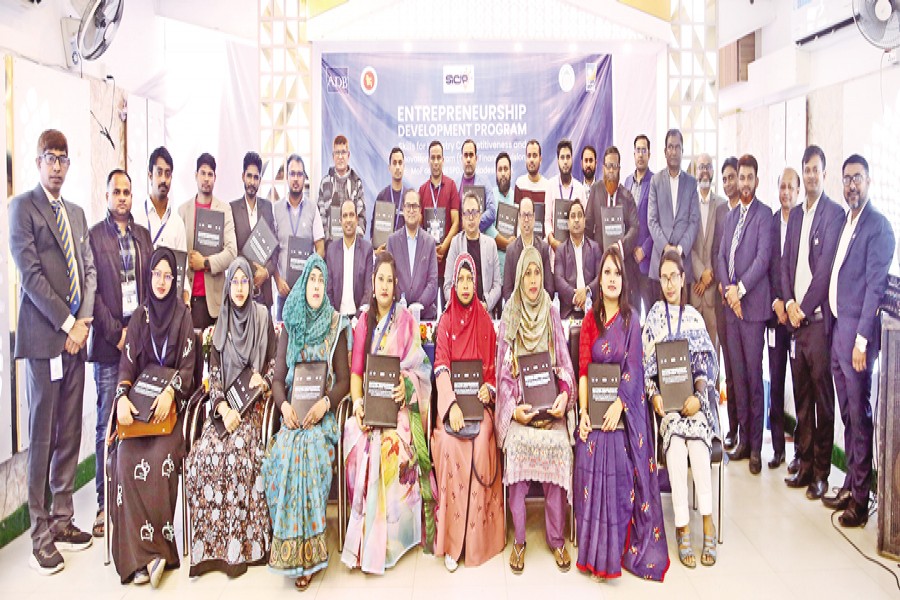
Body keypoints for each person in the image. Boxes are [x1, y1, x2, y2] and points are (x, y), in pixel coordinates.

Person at [9, 129, 97, 574]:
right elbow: (31, 276)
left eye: (63, 158)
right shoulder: (23, 208)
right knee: (42, 437)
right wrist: (67, 323)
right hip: (45, 342)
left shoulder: (76, 213)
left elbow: (89, 272)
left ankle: (63, 520)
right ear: (38, 162)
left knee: (69, 432)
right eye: (51, 158)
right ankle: (40, 536)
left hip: (76, 341)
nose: (58, 166)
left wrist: (83, 324)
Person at [575, 248, 668, 581]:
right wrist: (584, 413)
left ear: (623, 280)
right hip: (595, 411)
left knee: (614, 449)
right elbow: (584, 371)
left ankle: (613, 550)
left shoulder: (631, 320)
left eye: (617, 273)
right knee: (589, 445)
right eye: (607, 273)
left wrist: (618, 405)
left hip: (625, 413)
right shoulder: (590, 320)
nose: (612, 279)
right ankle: (594, 549)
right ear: (599, 281)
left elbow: (634, 371)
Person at [261, 254, 351, 590]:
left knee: (309, 453)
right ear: (303, 284)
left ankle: (309, 554)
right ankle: (288, 547)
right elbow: (278, 380)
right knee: (283, 454)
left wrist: (326, 404)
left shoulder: (335, 324)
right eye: (311, 279)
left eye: (321, 280)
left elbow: (343, 379)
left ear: (326, 286)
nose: (316, 285)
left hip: (320, 418)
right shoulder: (292, 322)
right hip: (293, 416)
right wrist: (283, 406)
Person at [341, 252, 435, 574]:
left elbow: (422, 369)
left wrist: (405, 387)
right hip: (370, 406)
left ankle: (393, 539)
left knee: (390, 447)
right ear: (372, 282)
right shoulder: (364, 322)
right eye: (380, 279)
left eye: (389, 281)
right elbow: (356, 373)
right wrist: (357, 404)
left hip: (399, 411)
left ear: (396, 286)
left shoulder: (406, 321)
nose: (384, 285)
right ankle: (365, 536)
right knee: (356, 439)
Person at [108, 247, 196, 587]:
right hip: (139, 413)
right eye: (156, 274)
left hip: (168, 412)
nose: (161, 281)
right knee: (125, 459)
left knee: (160, 461)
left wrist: (171, 392)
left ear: (175, 279)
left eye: (168, 275)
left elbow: (188, 367)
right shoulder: (139, 318)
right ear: (149, 277)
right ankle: (136, 559)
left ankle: (159, 551)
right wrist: (121, 398)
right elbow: (127, 365)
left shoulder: (183, 316)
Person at [185, 257, 276, 577]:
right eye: (234, 282)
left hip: (254, 409)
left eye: (244, 281)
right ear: (227, 288)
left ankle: (241, 547)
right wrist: (223, 409)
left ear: (252, 285)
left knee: (237, 454)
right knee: (203, 455)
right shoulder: (219, 328)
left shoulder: (262, 317)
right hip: (224, 410)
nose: (239, 288)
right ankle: (211, 548)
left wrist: (265, 381)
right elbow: (214, 378)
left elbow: (275, 363)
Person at [496, 246, 576, 574]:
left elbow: (565, 367)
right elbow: (502, 375)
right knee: (516, 447)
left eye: (537, 273)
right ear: (518, 276)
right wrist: (514, 410)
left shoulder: (551, 313)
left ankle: (556, 539)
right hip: (521, 409)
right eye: (527, 273)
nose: (532, 280)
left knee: (558, 447)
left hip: (549, 410)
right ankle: (519, 539)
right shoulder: (510, 314)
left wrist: (564, 397)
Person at [828, 154, 895, 526]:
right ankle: (850, 484)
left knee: (859, 415)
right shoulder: (846, 220)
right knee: (848, 415)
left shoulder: (878, 227)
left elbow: (874, 289)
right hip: (838, 333)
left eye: (857, 178)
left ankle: (860, 499)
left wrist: (861, 341)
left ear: (868, 181)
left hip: (857, 340)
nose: (851, 184)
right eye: (847, 178)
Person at [643, 249, 719, 568]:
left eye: (674, 277)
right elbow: (646, 369)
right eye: (664, 278)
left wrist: (698, 398)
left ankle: (708, 522)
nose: (669, 284)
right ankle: (683, 528)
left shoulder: (694, 318)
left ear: (683, 278)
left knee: (699, 450)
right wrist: (654, 397)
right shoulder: (654, 317)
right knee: (674, 450)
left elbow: (704, 369)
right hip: (668, 408)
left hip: (692, 403)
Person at [87, 169, 153, 538]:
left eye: (127, 191)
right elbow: (92, 292)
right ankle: (103, 502)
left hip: (139, 344)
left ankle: (133, 496)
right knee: (107, 422)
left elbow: (150, 290)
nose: (123, 197)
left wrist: (137, 333)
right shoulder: (95, 237)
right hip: (110, 346)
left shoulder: (142, 236)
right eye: (117, 192)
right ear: (108, 196)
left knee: (137, 419)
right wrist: (117, 334)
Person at [431, 253, 505, 572]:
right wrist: (450, 406)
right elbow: (440, 368)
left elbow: (494, 373)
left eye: (469, 279)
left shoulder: (485, 322)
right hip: (453, 408)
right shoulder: (445, 322)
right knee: (450, 444)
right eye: (460, 279)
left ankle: (476, 541)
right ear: (453, 283)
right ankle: (452, 543)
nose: (464, 285)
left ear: (476, 283)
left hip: (480, 406)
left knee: (483, 437)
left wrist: (488, 390)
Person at [781, 147, 846, 497]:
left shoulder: (833, 214)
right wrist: (789, 303)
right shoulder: (795, 215)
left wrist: (802, 308)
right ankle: (804, 465)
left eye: (815, 170)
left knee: (822, 400)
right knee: (802, 397)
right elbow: (785, 263)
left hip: (818, 323)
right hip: (796, 323)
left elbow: (824, 273)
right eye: (805, 169)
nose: (809, 175)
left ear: (824, 173)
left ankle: (822, 472)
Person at [715, 154, 773, 475]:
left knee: (753, 379)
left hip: (752, 311)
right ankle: (742, 441)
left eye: (750, 177)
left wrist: (740, 290)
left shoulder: (764, 215)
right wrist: (728, 291)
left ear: (756, 181)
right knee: (736, 376)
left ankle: (755, 448)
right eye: (742, 177)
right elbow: (722, 256)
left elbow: (763, 259)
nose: (745, 183)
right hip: (731, 309)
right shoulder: (731, 217)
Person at [178, 153, 238, 329]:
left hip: (215, 301)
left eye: (210, 174)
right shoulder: (183, 211)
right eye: (202, 173)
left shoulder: (224, 210)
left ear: (215, 178)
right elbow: (178, 254)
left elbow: (232, 252)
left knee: (214, 347)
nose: (206, 178)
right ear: (195, 175)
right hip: (188, 299)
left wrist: (205, 263)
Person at [767, 168, 800, 472]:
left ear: (798, 191)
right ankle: (778, 448)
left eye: (791, 187)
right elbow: (767, 267)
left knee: (801, 387)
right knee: (776, 383)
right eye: (782, 186)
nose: (786, 192)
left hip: (800, 318)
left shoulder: (803, 221)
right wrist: (776, 302)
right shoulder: (771, 222)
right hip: (776, 318)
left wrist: (792, 306)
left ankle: (800, 453)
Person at [585, 146, 639, 306]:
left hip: (623, 266)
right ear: (603, 168)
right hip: (599, 265)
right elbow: (588, 226)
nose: (611, 170)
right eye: (608, 166)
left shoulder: (627, 196)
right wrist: (593, 253)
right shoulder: (595, 190)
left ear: (619, 169)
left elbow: (635, 228)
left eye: (614, 166)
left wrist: (620, 247)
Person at [273, 154, 325, 320]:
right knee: (282, 335)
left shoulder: (313, 209)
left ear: (304, 177)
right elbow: (271, 252)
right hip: (284, 292)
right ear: (287, 177)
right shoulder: (275, 209)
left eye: (299, 174)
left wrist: (310, 277)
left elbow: (321, 248)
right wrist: (277, 280)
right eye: (292, 174)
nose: (296, 178)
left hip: (306, 293)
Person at [647, 129, 700, 293]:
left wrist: (679, 249)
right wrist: (666, 247)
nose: (674, 151)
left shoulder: (691, 183)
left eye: (678, 147)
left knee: (682, 309)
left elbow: (694, 221)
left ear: (682, 151)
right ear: (665, 151)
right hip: (659, 263)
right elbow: (652, 220)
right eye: (670, 147)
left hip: (683, 264)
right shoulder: (656, 181)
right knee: (658, 308)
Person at [716, 157, 741, 451]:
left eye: (732, 177)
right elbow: (718, 253)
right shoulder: (722, 212)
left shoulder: (753, 214)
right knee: (730, 371)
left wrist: (738, 292)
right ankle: (732, 428)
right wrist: (723, 285)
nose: (729, 183)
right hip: (723, 300)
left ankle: (747, 430)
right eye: (724, 178)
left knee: (745, 370)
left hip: (744, 303)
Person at [443, 191, 502, 313]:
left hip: (484, 311)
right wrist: (460, 305)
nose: (471, 218)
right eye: (467, 213)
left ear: (480, 215)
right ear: (462, 217)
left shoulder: (491, 244)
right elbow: (447, 286)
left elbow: (497, 284)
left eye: (474, 212)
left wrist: (486, 305)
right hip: (460, 313)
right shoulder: (455, 243)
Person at [231, 151, 277, 310]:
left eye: (256, 177)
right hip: (241, 290)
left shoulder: (268, 208)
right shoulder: (232, 209)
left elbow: (275, 249)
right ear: (243, 176)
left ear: (260, 180)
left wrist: (266, 272)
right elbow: (232, 250)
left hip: (264, 292)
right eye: (249, 176)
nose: (252, 181)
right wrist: (247, 274)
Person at [689, 153, 724, 351]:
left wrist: (708, 275)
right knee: (693, 349)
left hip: (713, 290)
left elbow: (722, 245)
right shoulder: (687, 204)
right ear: (696, 172)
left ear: (712, 171)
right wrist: (700, 272)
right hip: (694, 289)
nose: (704, 171)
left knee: (712, 350)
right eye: (700, 166)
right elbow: (687, 243)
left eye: (708, 166)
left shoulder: (722, 205)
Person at [387, 190, 439, 319]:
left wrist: (417, 306)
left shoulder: (429, 242)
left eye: (415, 206)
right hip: (399, 315)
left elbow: (433, 282)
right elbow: (390, 278)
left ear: (420, 210)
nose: (411, 210)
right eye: (408, 206)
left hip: (425, 314)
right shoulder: (392, 241)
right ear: (403, 209)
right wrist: (402, 307)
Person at [420, 140, 461, 283]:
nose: (436, 162)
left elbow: (456, 222)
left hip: (448, 259)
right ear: (428, 161)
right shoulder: (422, 190)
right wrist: (431, 249)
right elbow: (419, 227)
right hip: (427, 261)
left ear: (443, 160)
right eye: (433, 158)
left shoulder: (451, 186)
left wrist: (443, 247)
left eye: (439, 158)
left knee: (448, 297)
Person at [326, 199, 374, 317]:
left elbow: (368, 291)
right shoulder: (331, 250)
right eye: (345, 216)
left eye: (352, 215)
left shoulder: (367, 249)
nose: (348, 220)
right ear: (340, 221)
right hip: (336, 318)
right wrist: (335, 318)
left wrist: (357, 319)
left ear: (357, 219)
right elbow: (328, 291)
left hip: (359, 318)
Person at [553, 200, 601, 319]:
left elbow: (600, 276)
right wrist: (576, 298)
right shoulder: (561, 250)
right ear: (568, 223)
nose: (576, 220)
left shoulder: (595, 248)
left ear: (584, 221)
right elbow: (558, 280)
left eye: (580, 216)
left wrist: (587, 292)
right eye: (573, 216)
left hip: (592, 311)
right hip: (569, 313)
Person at [134, 146, 187, 252]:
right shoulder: (136, 218)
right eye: (159, 173)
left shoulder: (177, 223)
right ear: (150, 176)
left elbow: (181, 262)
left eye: (167, 174)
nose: (163, 179)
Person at [502, 197, 554, 303]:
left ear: (534, 217)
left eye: (529, 215)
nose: (526, 220)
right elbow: (507, 291)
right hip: (518, 309)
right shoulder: (511, 250)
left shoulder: (543, 248)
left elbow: (550, 289)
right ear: (519, 217)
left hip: (540, 308)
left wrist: (536, 306)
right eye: (523, 215)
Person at [624, 135, 654, 314]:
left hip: (646, 260)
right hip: (629, 260)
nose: (641, 154)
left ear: (649, 154)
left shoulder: (655, 182)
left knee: (650, 310)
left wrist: (644, 249)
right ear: (634, 154)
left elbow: (659, 222)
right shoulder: (627, 182)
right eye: (638, 150)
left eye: (644, 150)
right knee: (631, 311)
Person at [317, 134, 366, 236]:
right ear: (333, 156)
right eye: (337, 153)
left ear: (348, 155)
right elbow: (321, 217)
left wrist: (353, 240)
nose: (340, 157)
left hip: (352, 241)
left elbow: (361, 217)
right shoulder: (325, 183)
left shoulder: (357, 184)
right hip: (330, 242)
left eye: (343, 152)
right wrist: (328, 241)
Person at [546, 140, 587, 253]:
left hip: (576, 250)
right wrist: (552, 241)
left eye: (568, 157)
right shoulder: (550, 186)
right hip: (555, 251)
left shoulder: (580, 189)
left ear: (572, 159)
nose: (565, 162)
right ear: (558, 161)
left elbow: (585, 221)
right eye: (562, 157)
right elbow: (547, 220)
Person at [484, 152, 515, 275]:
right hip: (493, 264)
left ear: (511, 172)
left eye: (506, 169)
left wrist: (514, 243)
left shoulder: (517, 197)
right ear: (496, 173)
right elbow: (487, 227)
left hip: (513, 264)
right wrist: (506, 243)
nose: (503, 173)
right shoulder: (490, 196)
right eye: (500, 169)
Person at [458, 139, 497, 233]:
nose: (468, 159)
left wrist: (473, 222)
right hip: (460, 238)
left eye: (471, 155)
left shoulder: (484, 182)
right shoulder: (455, 184)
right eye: (465, 155)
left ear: (476, 158)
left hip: (480, 237)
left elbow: (492, 212)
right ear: (462, 158)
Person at [373, 146, 410, 244]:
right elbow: (374, 231)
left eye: (400, 163)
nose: (397, 167)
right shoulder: (382, 197)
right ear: (389, 168)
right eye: (394, 163)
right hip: (386, 250)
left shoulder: (409, 197)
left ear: (404, 166)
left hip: (404, 249)